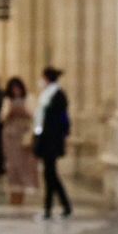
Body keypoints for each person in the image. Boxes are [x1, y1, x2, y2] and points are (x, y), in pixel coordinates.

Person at [33, 66, 72, 219]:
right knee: (50, 174)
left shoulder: (57, 95)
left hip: (52, 140)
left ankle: (50, 208)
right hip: (46, 138)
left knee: (50, 174)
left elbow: (59, 119)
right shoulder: (47, 95)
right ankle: (63, 205)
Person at [0, 77, 37, 205]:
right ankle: (14, 192)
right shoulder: (7, 100)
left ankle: (23, 191)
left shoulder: (29, 99)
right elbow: (2, 117)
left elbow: (34, 115)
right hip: (10, 136)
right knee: (12, 165)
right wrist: (10, 111)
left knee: (24, 164)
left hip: (23, 135)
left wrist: (24, 111)